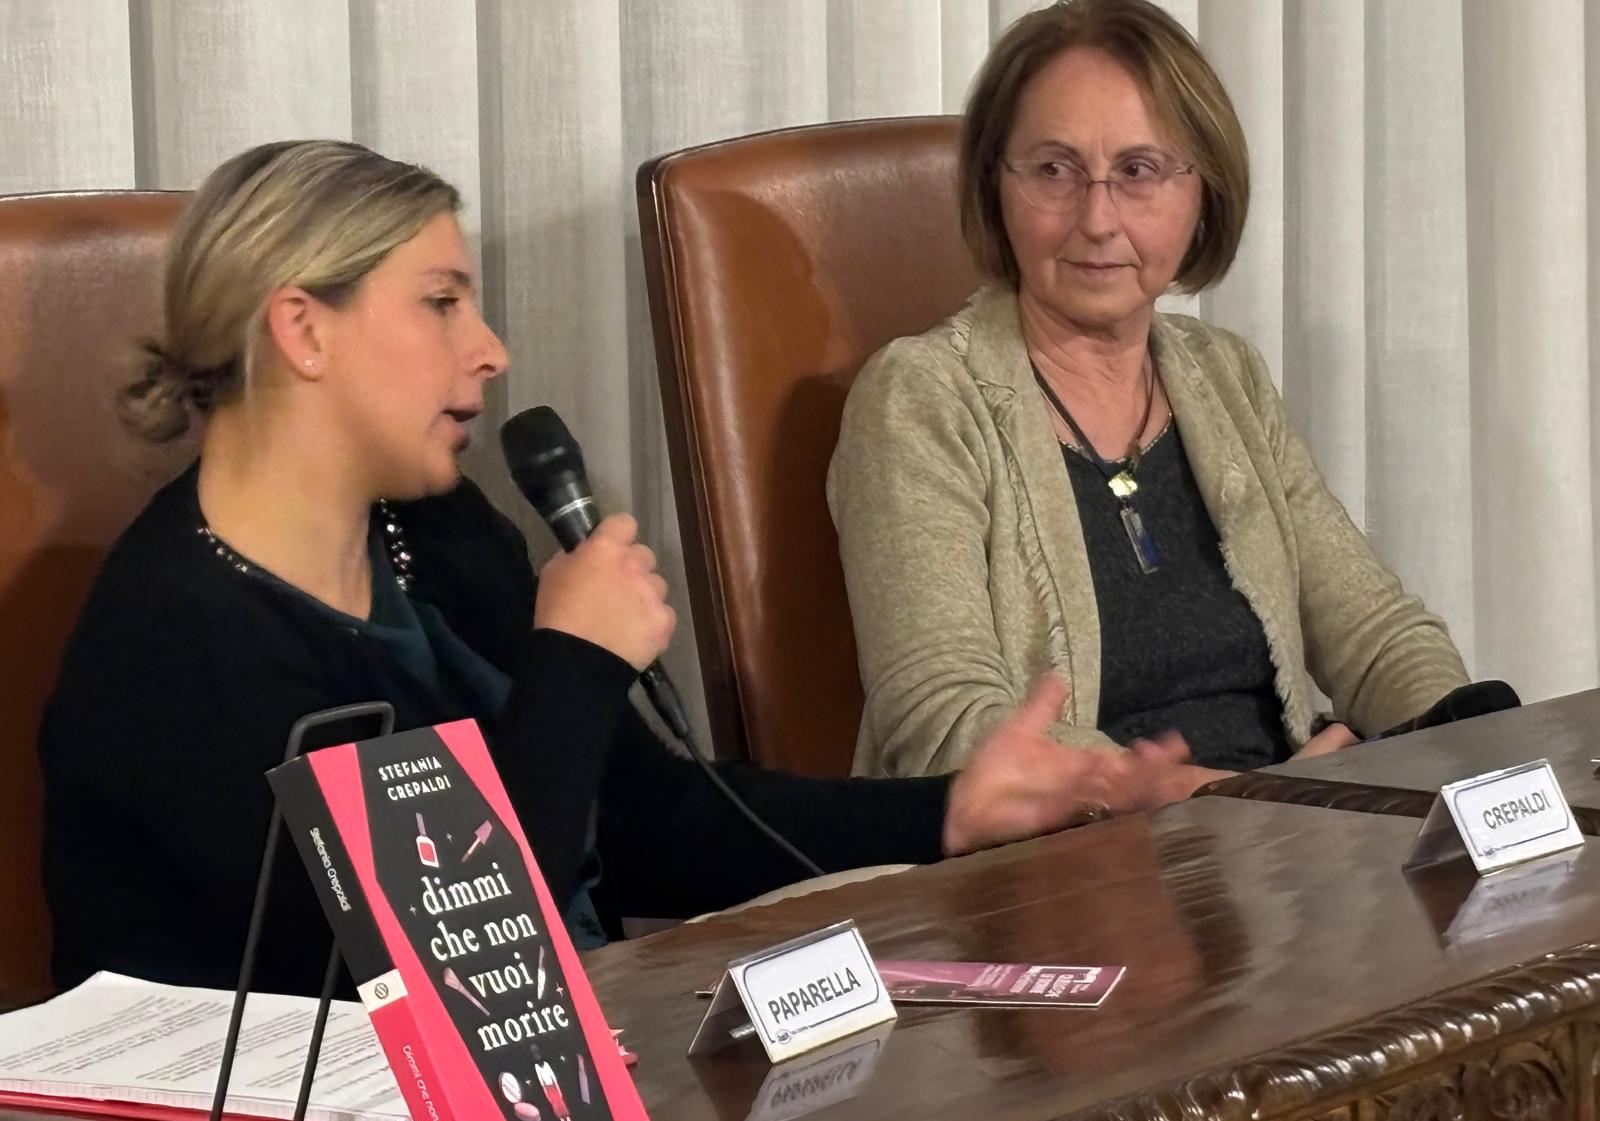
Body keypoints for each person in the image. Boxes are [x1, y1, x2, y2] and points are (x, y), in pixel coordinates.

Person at [39, 139, 1198, 998]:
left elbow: (647, 822)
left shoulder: (435, 534)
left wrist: (946, 812)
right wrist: (574, 664)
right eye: (441, 304)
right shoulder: (173, 638)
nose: (489, 350)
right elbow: (444, 976)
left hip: (564, 1089)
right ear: (303, 330)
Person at [827, 0, 1468, 787]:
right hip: (1071, 851)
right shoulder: (921, 399)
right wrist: (1242, 800)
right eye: (1055, 170)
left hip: (1286, 831)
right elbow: (945, 725)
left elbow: (1378, 636)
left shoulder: (1226, 376)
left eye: (1138, 171)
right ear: (995, 186)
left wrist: (1475, 754)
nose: (1097, 219)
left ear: (1204, 195)